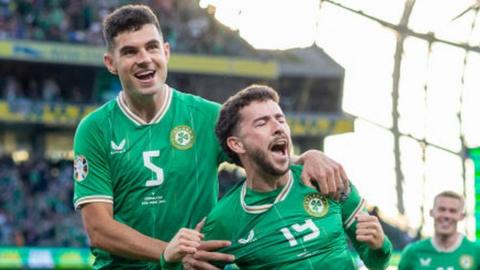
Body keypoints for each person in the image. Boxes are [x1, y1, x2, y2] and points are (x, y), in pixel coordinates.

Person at [73, 4, 350, 269]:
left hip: (198, 267)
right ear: (111, 62)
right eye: (130, 52)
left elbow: (265, 162)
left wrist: (307, 157)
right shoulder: (94, 129)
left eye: (152, 47)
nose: (145, 59)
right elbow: (99, 229)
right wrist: (166, 251)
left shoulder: (207, 117)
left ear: (166, 52)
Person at [193, 84, 392, 269]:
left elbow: (376, 261)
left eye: (280, 119)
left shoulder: (325, 178)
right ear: (237, 144)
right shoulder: (223, 220)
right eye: (262, 123)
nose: (278, 127)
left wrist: (378, 245)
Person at [398, 191, 480, 270]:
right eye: (442, 209)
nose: (446, 215)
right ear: (431, 212)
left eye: (452, 211)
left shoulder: (476, 251)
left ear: (461, 216)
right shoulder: (412, 252)